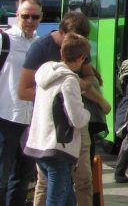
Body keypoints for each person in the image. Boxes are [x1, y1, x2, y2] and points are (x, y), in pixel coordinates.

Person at [19, 11, 107, 206]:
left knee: (67, 191)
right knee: (55, 195)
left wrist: (83, 87)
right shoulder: (66, 78)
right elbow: (77, 117)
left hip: (40, 141)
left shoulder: (47, 70)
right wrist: (81, 103)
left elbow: (88, 78)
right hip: (58, 144)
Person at [23, 33, 91, 206]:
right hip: (59, 149)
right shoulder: (69, 80)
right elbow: (77, 119)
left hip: (39, 145)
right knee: (56, 201)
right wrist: (87, 113)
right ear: (81, 58)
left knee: (67, 199)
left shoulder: (45, 71)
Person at [0, 0, 41, 206]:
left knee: (23, 175)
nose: (31, 21)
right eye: (26, 16)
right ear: (17, 16)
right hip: (6, 115)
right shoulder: (4, 40)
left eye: (35, 17)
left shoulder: (40, 44)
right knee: (1, 175)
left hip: (32, 119)